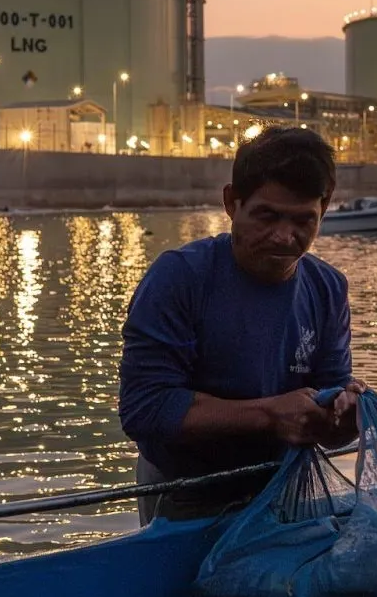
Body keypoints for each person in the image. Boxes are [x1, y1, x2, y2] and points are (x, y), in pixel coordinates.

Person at [119, 126, 363, 525]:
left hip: (281, 489)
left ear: (326, 206)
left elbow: (328, 419)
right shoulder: (179, 277)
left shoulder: (328, 287)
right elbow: (144, 408)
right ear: (232, 202)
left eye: (304, 220)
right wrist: (270, 415)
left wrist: (348, 412)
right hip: (184, 493)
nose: (285, 236)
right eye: (266, 216)